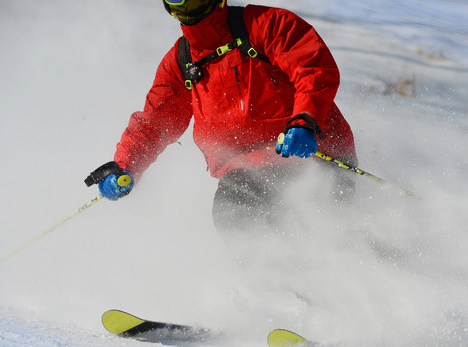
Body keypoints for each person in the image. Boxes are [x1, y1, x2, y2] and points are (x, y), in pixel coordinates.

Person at [86, 0, 357, 242]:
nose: (185, 6)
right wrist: (126, 165)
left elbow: (312, 68)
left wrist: (305, 120)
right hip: (246, 171)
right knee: (233, 214)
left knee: (321, 219)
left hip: (313, 154)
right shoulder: (181, 62)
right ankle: (274, 287)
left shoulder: (265, 25)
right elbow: (155, 122)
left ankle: (363, 263)